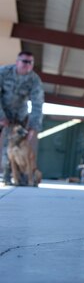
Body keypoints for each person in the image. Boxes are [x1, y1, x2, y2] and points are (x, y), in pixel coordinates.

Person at [0, 51, 44, 185]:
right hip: (2, 109)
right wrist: (1, 117)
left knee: (13, 145)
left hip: (19, 116)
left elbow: (37, 103)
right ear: (17, 61)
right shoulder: (4, 72)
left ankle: (9, 176)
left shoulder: (34, 79)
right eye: (25, 61)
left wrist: (33, 127)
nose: (28, 65)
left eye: (31, 62)